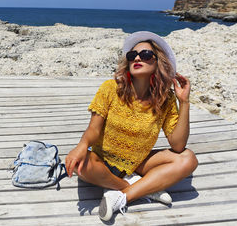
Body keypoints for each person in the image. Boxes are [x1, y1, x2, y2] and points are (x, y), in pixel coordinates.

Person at [65, 31, 198, 221]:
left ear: (157, 62)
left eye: (145, 55)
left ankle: (122, 196)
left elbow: (177, 145)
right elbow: (93, 130)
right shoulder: (110, 88)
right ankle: (144, 188)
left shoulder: (165, 99)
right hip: (102, 159)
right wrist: (80, 147)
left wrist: (184, 102)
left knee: (188, 159)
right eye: (132, 55)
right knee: (81, 165)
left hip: (138, 161)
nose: (137, 58)